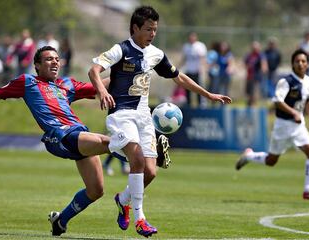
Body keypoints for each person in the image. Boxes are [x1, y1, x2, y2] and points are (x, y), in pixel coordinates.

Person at [88, 6, 232, 237]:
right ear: (135, 28)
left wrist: (208, 95)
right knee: (136, 160)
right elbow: (94, 70)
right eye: (148, 29)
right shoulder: (121, 49)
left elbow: (179, 77)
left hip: (144, 117)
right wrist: (102, 92)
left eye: (155, 29)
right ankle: (140, 219)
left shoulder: (156, 54)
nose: (152, 33)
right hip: (121, 114)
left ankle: (123, 200)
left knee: (151, 172)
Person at [0, 46, 113, 237]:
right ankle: (148, 157)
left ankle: (61, 220)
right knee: (109, 143)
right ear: (37, 65)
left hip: (78, 133)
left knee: (96, 191)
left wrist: (124, 73)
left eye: (57, 59)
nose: (55, 62)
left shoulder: (67, 84)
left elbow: (99, 87)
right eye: (49, 59)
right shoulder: (28, 82)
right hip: (59, 136)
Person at [236, 49, 309, 200]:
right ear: (293, 64)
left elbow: (306, 100)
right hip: (283, 126)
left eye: (303, 61)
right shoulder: (286, 82)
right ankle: (249, 156)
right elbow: (277, 101)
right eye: (297, 61)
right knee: (271, 161)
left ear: (307, 64)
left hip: (298, 127)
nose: (300, 64)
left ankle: (308, 189)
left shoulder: (308, 81)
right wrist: (293, 112)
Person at [181, 31, 207, 108]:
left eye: (193, 37)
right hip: (189, 71)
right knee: (187, 88)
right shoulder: (186, 46)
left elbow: (203, 58)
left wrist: (202, 67)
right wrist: (179, 67)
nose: (192, 38)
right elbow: (184, 58)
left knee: (199, 88)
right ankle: (188, 105)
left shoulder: (200, 46)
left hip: (197, 71)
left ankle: (201, 105)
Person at [244, 41, 268, 106]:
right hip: (249, 77)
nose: (255, 49)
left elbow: (264, 63)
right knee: (248, 92)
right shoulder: (249, 55)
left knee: (254, 92)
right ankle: (249, 105)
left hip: (256, 77)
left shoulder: (260, 55)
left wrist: (264, 69)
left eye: (256, 47)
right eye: (253, 47)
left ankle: (253, 105)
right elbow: (245, 63)